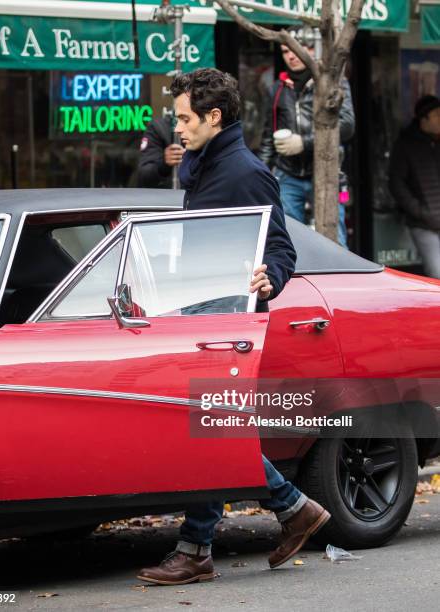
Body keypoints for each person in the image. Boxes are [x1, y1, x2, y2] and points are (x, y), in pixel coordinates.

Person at [137, 68, 331, 586]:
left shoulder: (244, 171)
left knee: (211, 429)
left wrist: (272, 278)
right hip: (201, 314)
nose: (176, 128)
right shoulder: (202, 166)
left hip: (229, 323)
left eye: (183, 118)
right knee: (213, 428)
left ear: (213, 117)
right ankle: (286, 513)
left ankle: (204, 544)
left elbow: (281, 248)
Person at [258, 27, 355, 248]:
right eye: (284, 52)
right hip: (288, 173)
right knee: (290, 243)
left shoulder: (333, 82)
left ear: (310, 49)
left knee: (335, 242)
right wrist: (262, 176)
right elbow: (267, 137)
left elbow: (348, 126)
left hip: (325, 169)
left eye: (295, 49)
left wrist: (304, 143)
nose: (291, 56)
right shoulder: (278, 88)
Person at [389, 95, 440, 279]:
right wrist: (420, 211)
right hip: (423, 224)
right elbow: (396, 184)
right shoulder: (405, 144)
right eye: (437, 115)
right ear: (423, 119)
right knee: (437, 275)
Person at [137, 116, 185, 188]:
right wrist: (164, 163)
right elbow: (144, 175)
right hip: (168, 193)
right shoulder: (158, 127)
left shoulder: (205, 129)